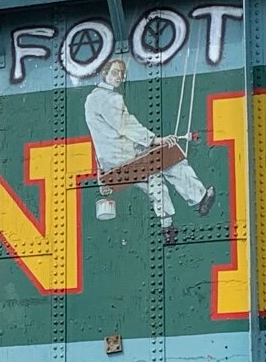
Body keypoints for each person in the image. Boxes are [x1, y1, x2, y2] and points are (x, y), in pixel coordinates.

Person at [84, 58, 215, 233]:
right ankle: (200, 197)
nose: (119, 77)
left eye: (122, 73)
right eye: (114, 72)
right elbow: (127, 125)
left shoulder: (91, 98)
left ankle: (167, 226)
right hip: (124, 156)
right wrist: (155, 140)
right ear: (105, 73)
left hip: (110, 162)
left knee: (154, 180)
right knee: (170, 155)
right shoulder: (109, 98)